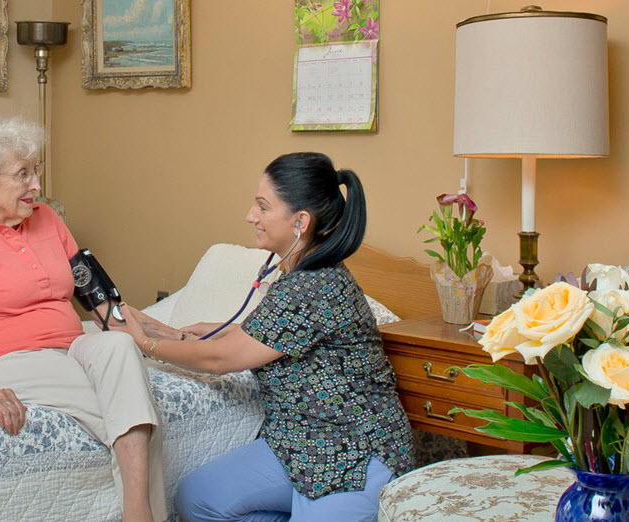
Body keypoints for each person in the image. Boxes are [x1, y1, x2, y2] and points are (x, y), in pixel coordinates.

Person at [115, 152, 414, 522]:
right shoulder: (297, 274)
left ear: (300, 222)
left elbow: (222, 359)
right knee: (196, 499)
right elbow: (255, 337)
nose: (250, 216)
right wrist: (166, 329)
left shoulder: (317, 285)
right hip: (295, 444)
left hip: (352, 454)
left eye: (262, 206)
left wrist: (149, 345)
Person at [0, 117, 175, 522]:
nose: (36, 184)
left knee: (119, 347)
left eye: (35, 171)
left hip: (68, 346)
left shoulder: (48, 219)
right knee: (131, 412)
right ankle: (139, 513)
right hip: (2, 356)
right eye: (22, 174)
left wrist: (171, 334)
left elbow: (102, 303)